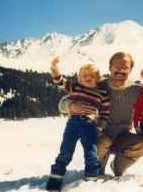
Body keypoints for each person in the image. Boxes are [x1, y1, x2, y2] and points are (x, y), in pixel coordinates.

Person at [59, 52, 143, 178]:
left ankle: (117, 167)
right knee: (96, 175)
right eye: (117, 66)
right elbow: (63, 101)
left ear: (130, 70)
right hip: (99, 136)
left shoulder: (137, 90)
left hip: (122, 137)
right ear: (110, 67)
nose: (120, 70)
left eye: (125, 67)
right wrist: (70, 106)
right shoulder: (96, 85)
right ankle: (98, 171)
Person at [46, 57, 110, 191]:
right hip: (73, 124)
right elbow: (59, 80)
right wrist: (54, 68)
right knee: (66, 150)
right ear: (79, 77)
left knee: (91, 152)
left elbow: (105, 113)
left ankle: (92, 177)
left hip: (90, 125)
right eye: (84, 75)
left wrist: (100, 126)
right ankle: (56, 176)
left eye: (91, 76)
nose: (88, 78)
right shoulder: (74, 87)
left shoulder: (102, 93)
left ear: (97, 77)